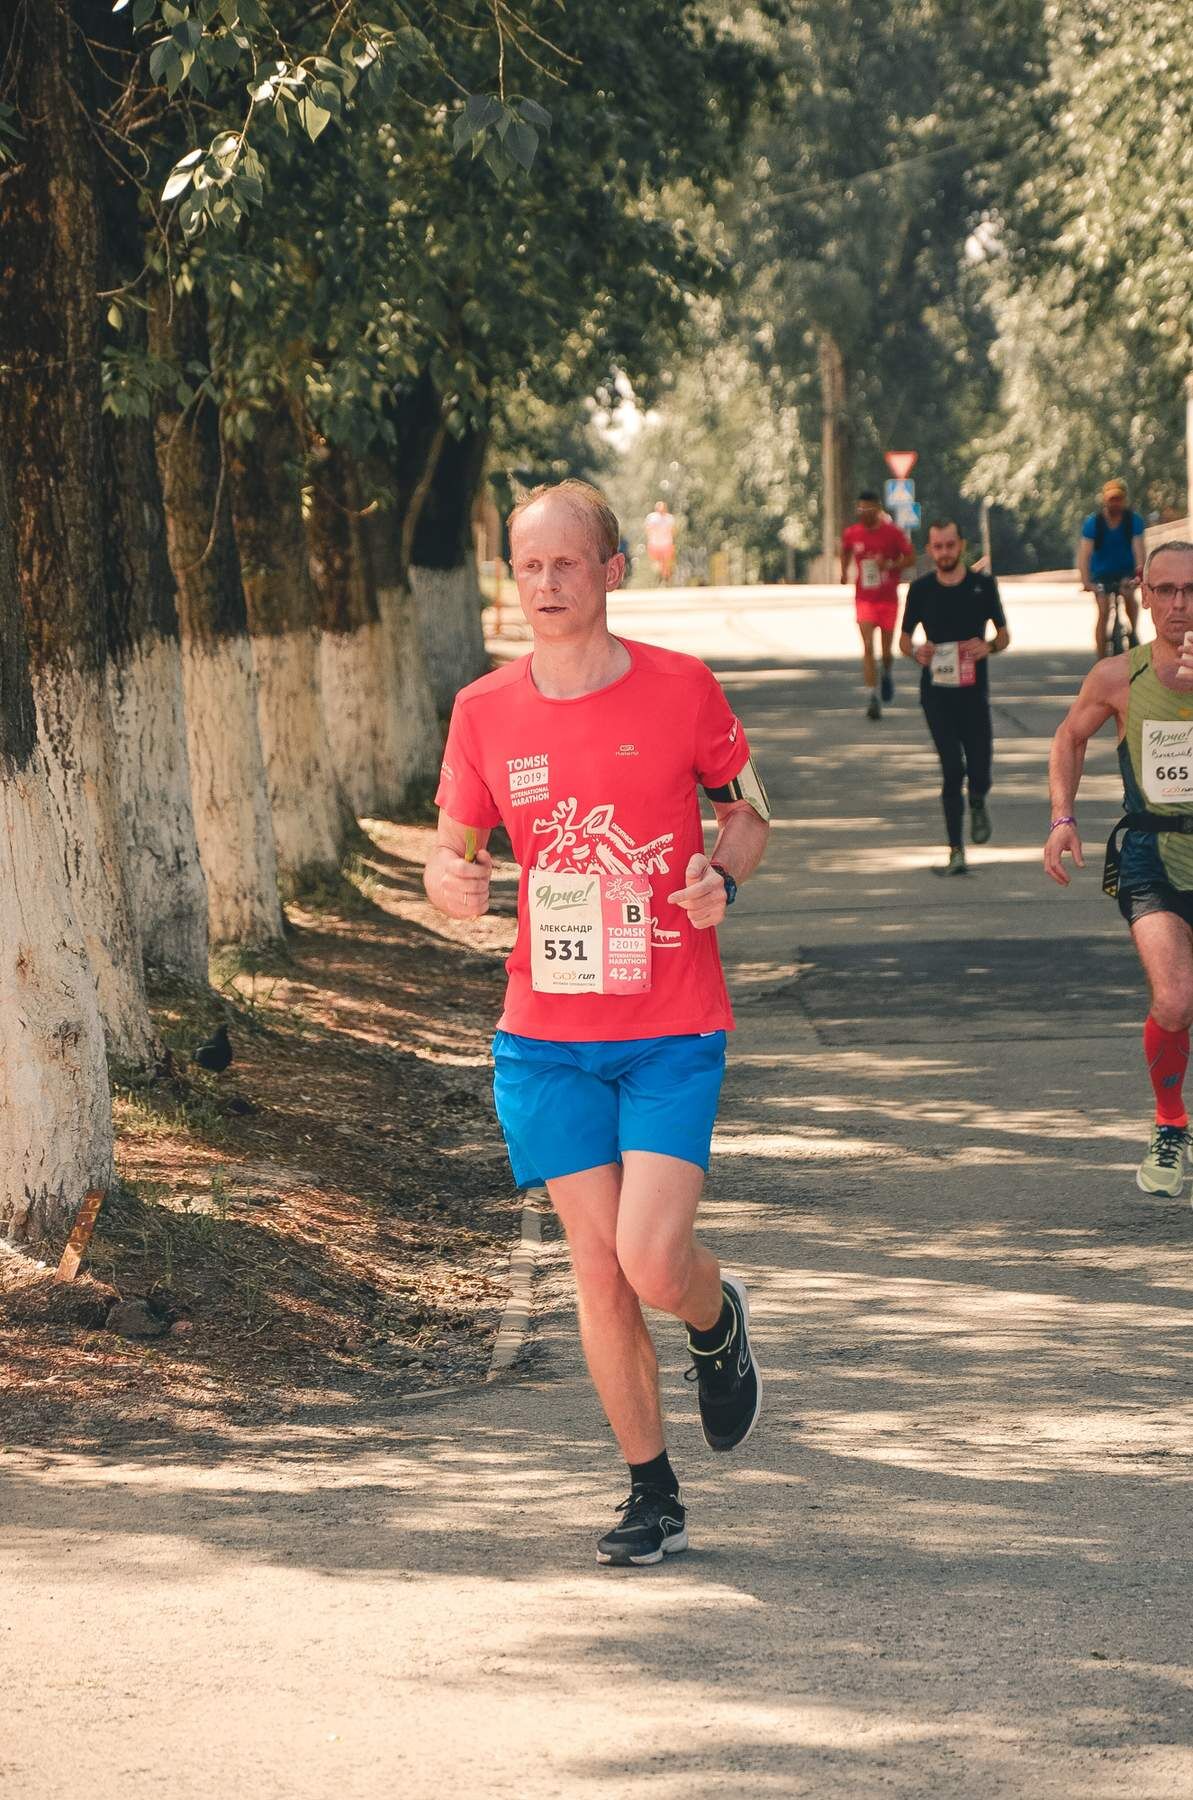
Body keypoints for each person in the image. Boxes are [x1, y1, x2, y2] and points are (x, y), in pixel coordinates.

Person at [425, 478, 771, 1567]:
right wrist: (453, 882)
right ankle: (649, 1491)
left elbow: (748, 811)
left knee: (653, 1260)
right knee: (597, 1266)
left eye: (565, 564)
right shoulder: (483, 711)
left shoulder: (680, 689)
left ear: (611, 571)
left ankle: (715, 1322)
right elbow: (450, 849)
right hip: (544, 1036)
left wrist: (720, 873)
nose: (545, 585)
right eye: (527, 566)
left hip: (670, 1023)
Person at [1044, 540, 1193, 1195]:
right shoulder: (1116, 677)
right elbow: (1069, 737)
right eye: (1164, 591)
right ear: (1142, 591)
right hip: (1149, 857)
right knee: (1174, 997)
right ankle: (1169, 1127)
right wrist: (1061, 818)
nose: (1178, 606)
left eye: (1190, 591)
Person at [900, 520, 1010, 876]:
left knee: (980, 769)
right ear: (930, 550)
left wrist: (988, 646)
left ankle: (977, 798)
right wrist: (918, 652)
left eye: (950, 545)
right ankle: (956, 850)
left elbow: (1005, 636)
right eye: (937, 547)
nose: (944, 553)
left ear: (961, 544)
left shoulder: (982, 586)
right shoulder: (920, 590)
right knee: (952, 769)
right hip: (936, 696)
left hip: (974, 694)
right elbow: (904, 641)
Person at [841, 490, 916, 720]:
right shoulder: (852, 533)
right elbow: (845, 550)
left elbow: (910, 558)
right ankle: (872, 696)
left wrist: (890, 564)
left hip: (888, 599)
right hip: (864, 599)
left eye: (869, 510)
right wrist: (843, 572)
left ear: (878, 509)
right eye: (860, 510)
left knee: (885, 651)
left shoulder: (893, 533)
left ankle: (886, 672)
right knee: (867, 647)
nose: (864, 514)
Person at [1078, 479, 1146, 658]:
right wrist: (1086, 582)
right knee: (1103, 609)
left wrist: (1139, 575)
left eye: (1118, 499)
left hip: (1125, 571)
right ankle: (1100, 658)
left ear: (1124, 500)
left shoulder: (1133, 521)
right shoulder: (1094, 523)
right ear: (1105, 500)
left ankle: (1133, 632)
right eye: (1111, 499)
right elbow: (1084, 555)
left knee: (1130, 597)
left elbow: (1139, 549)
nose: (1115, 503)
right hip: (1101, 574)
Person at [644, 498, 676, 585]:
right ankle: (660, 577)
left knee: (666, 563)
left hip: (666, 543)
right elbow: (647, 530)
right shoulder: (651, 517)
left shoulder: (670, 518)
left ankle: (665, 579)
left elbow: (673, 531)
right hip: (654, 544)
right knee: (657, 562)